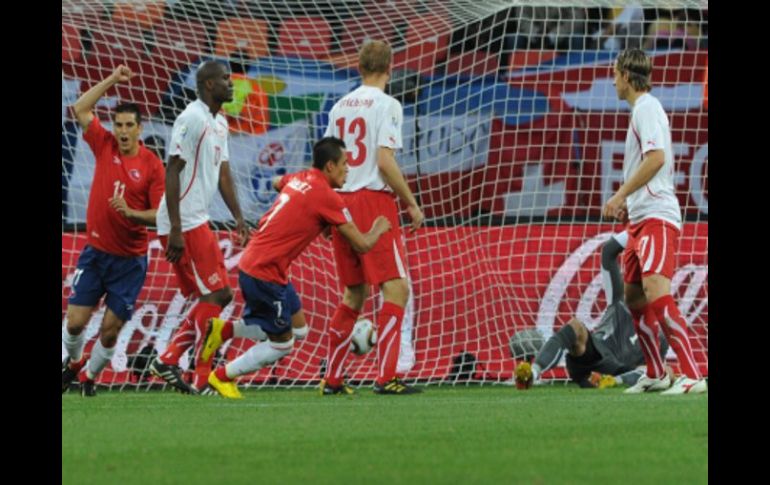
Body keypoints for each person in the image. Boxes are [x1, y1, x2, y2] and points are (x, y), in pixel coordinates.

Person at [201, 137, 391, 399]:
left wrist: (308, 218)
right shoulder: (327, 196)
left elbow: (278, 182)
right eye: (345, 164)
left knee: (299, 329)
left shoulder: (302, 177)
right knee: (283, 344)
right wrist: (380, 227)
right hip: (263, 272)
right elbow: (361, 244)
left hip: (266, 267)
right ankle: (221, 377)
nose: (348, 169)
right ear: (329, 167)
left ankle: (225, 330)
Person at [321, 40, 425, 395]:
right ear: (390, 68)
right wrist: (410, 201)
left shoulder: (338, 107)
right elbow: (384, 161)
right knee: (396, 287)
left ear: (359, 66)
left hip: (339, 200)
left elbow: (325, 163)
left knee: (354, 293)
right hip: (372, 200)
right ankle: (387, 377)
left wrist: (324, 209)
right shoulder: (389, 105)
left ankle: (332, 379)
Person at [602, 48, 706, 394]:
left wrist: (619, 195)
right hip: (641, 217)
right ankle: (657, 373)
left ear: (628, 77)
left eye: (615, 73)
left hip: (658, 217)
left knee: (656, 293)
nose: (612, 79)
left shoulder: (647, 107)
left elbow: (657, 158)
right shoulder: (640, 111)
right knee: (633, 298)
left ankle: (692, 375)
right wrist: (630, 204)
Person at [61, 65, 166, 397]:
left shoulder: (152, 165)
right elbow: (79, 108)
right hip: (95, 253)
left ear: (139, 129)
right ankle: (74, 365)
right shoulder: (103, 143)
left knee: (108, 333)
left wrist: (131, 212)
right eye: (118, 124)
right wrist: (111, 80)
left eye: (128, 126)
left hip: (129, 262)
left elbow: (159, 216)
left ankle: (90, 376)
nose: (122, 131)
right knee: (75, 323)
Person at [149, 60, 250, 394]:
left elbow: (222, 173)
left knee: (215, 296)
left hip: (197, 219)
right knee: (216, 294)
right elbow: (172, 170)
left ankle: (180, 363)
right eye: (224, 79)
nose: (230, 84)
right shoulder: (191, 117)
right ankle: (182, 363)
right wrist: (175, 228)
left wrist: (237, 215)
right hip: (184, 221)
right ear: (208, 85)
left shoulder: (219, 122)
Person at [511, 231, 670, 389]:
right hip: (593, 353)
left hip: (616, 370)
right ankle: (532, 373)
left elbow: (653, 371)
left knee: (664, 371)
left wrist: (621, 379)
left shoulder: (661, 333)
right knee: (575, 326)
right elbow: (609, 251)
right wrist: (640, 229)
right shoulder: (619, 297)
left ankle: (608, 382)